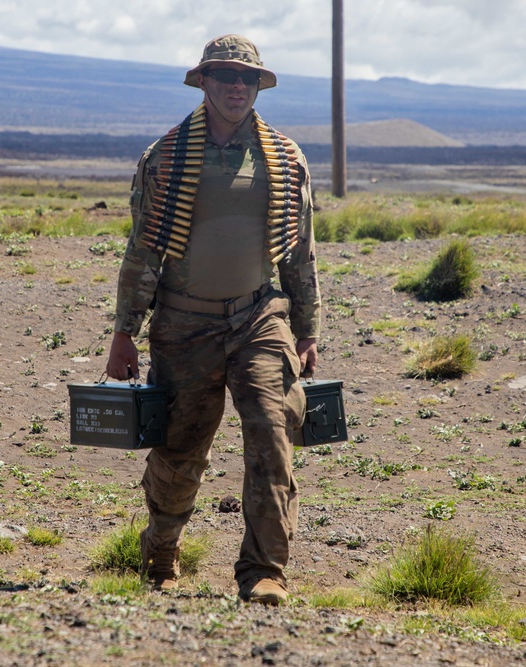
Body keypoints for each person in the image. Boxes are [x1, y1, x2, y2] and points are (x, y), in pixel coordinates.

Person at [105, 34, 321, 606]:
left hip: (258, 318)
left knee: (273, 439)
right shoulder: (166, 156)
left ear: (258, 86)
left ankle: (264, 571)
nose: (236, 86)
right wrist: (125, 330)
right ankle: (162, 549)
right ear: (203, 81)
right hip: (183, 323)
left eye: (247, 78)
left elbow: (299, 250)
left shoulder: (286, 156)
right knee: (180, 448)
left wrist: (308, 329)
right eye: (224, 75)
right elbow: (144, 248)